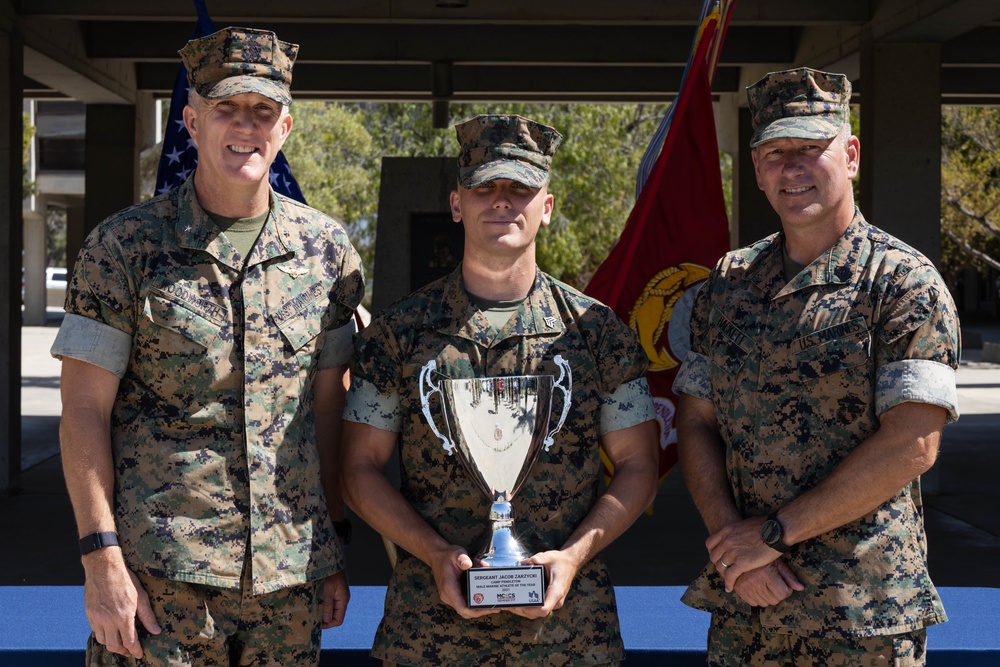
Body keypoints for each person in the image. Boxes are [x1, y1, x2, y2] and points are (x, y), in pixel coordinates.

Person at [51, 26, 363, 666]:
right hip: (160, 583)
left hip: (287, 586)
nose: (244, 126)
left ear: (285, 129)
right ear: (192, 122)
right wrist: (100, 556)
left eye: (262, 111)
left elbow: (328, 412)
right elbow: (84, 412)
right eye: (227, 108)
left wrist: (333, 542)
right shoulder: (124, 248)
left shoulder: (328, 253)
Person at [340, 114, 659, 666]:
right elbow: (358, 469)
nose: (502, 201)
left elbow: (638, 465)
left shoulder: (597, 332)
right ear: (457, 204)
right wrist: (436, 553)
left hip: (569, 635)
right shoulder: (400, 333)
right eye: (484, 187)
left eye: (520, 188)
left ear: (548, 207)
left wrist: (574, 557)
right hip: (428, 634)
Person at [673, 67, 960, 666]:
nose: (793, 167)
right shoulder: (728, 285)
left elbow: (913, 442)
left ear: (851, 155)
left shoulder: (903, 283)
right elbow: (696, 420)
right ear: (756, 170)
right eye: (776, 153)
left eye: (811, 149)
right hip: (747, 606)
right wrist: (734, 547)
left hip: (861, 613)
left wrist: (772, 536)